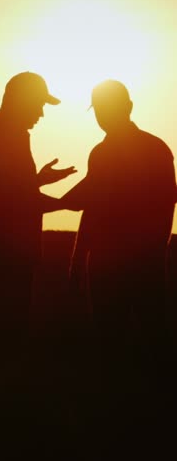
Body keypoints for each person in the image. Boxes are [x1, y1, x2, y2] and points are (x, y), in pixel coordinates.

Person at [63, 80, 176, 345]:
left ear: (128, 107)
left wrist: (154, 252)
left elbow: (166, 203)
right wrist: (78, 260)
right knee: (113, 342)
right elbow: (92, 208)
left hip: (140, 264)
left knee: (150, 340)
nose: (103, 116)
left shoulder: (154, 150)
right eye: (99, 110)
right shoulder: (102, 153)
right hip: (108, 265)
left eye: (107, 108)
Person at [0, 71, 76, 329]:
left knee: (4, 334)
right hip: (4, 258)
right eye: (38, 104)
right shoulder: (5, 138)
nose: (41, 113)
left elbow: (7, 190)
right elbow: (18, 201)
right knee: (9, 336)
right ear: (20, 100)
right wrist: (70, 202)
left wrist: (37, 180)